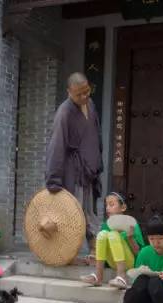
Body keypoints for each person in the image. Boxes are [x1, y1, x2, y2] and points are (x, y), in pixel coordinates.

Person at [45, 72, 103, 262]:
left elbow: (95, 135)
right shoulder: (65, 111)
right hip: (75, 170)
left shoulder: (91, 104)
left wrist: (97, 162)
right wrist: (53, 180)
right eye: (79, 94)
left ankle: (95, 250)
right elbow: (57, 144)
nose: (84, 96)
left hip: (90, 170)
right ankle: (66, 252)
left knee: (90, 211)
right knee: (74, 212)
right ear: (69, 92)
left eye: (87, 91)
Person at [81, 192, 146, 289]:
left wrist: (130, 238)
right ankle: (98, 276)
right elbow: (103, 248)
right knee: (102, 234)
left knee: (113, 234)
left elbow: (139, 254)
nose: (107, 208)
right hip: (112, 262)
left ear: (123, 207)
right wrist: (93, 256)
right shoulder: (105, 224)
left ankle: (122, 277)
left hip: (129, 263)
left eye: (111, 204)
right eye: (106, 205)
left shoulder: (131, 223)